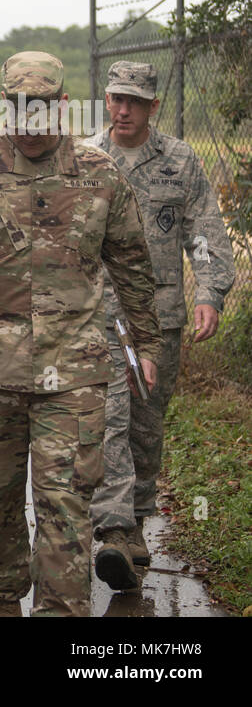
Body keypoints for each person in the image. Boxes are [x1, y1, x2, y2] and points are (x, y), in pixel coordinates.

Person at [0, 51, 162, 617]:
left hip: (75, 372)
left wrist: (146, 343)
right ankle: (3, 599)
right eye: (19, 110)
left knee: (65, 507)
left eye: (41, 110)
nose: (30, 123)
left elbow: (134, 269)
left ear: (62, 106)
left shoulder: (99, 174)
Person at [84, 61, 236, 589]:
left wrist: (211, 293)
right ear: (106, 100)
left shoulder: (179, 160)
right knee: (110, 420)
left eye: (134, 101)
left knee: (147, 428)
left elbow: (203, 232)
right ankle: (114, 528)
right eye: (115, 99)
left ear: (152, 106)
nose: (123, 109)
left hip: (160, 319)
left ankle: (136, 526)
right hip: (97, 318)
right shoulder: (86, 158)